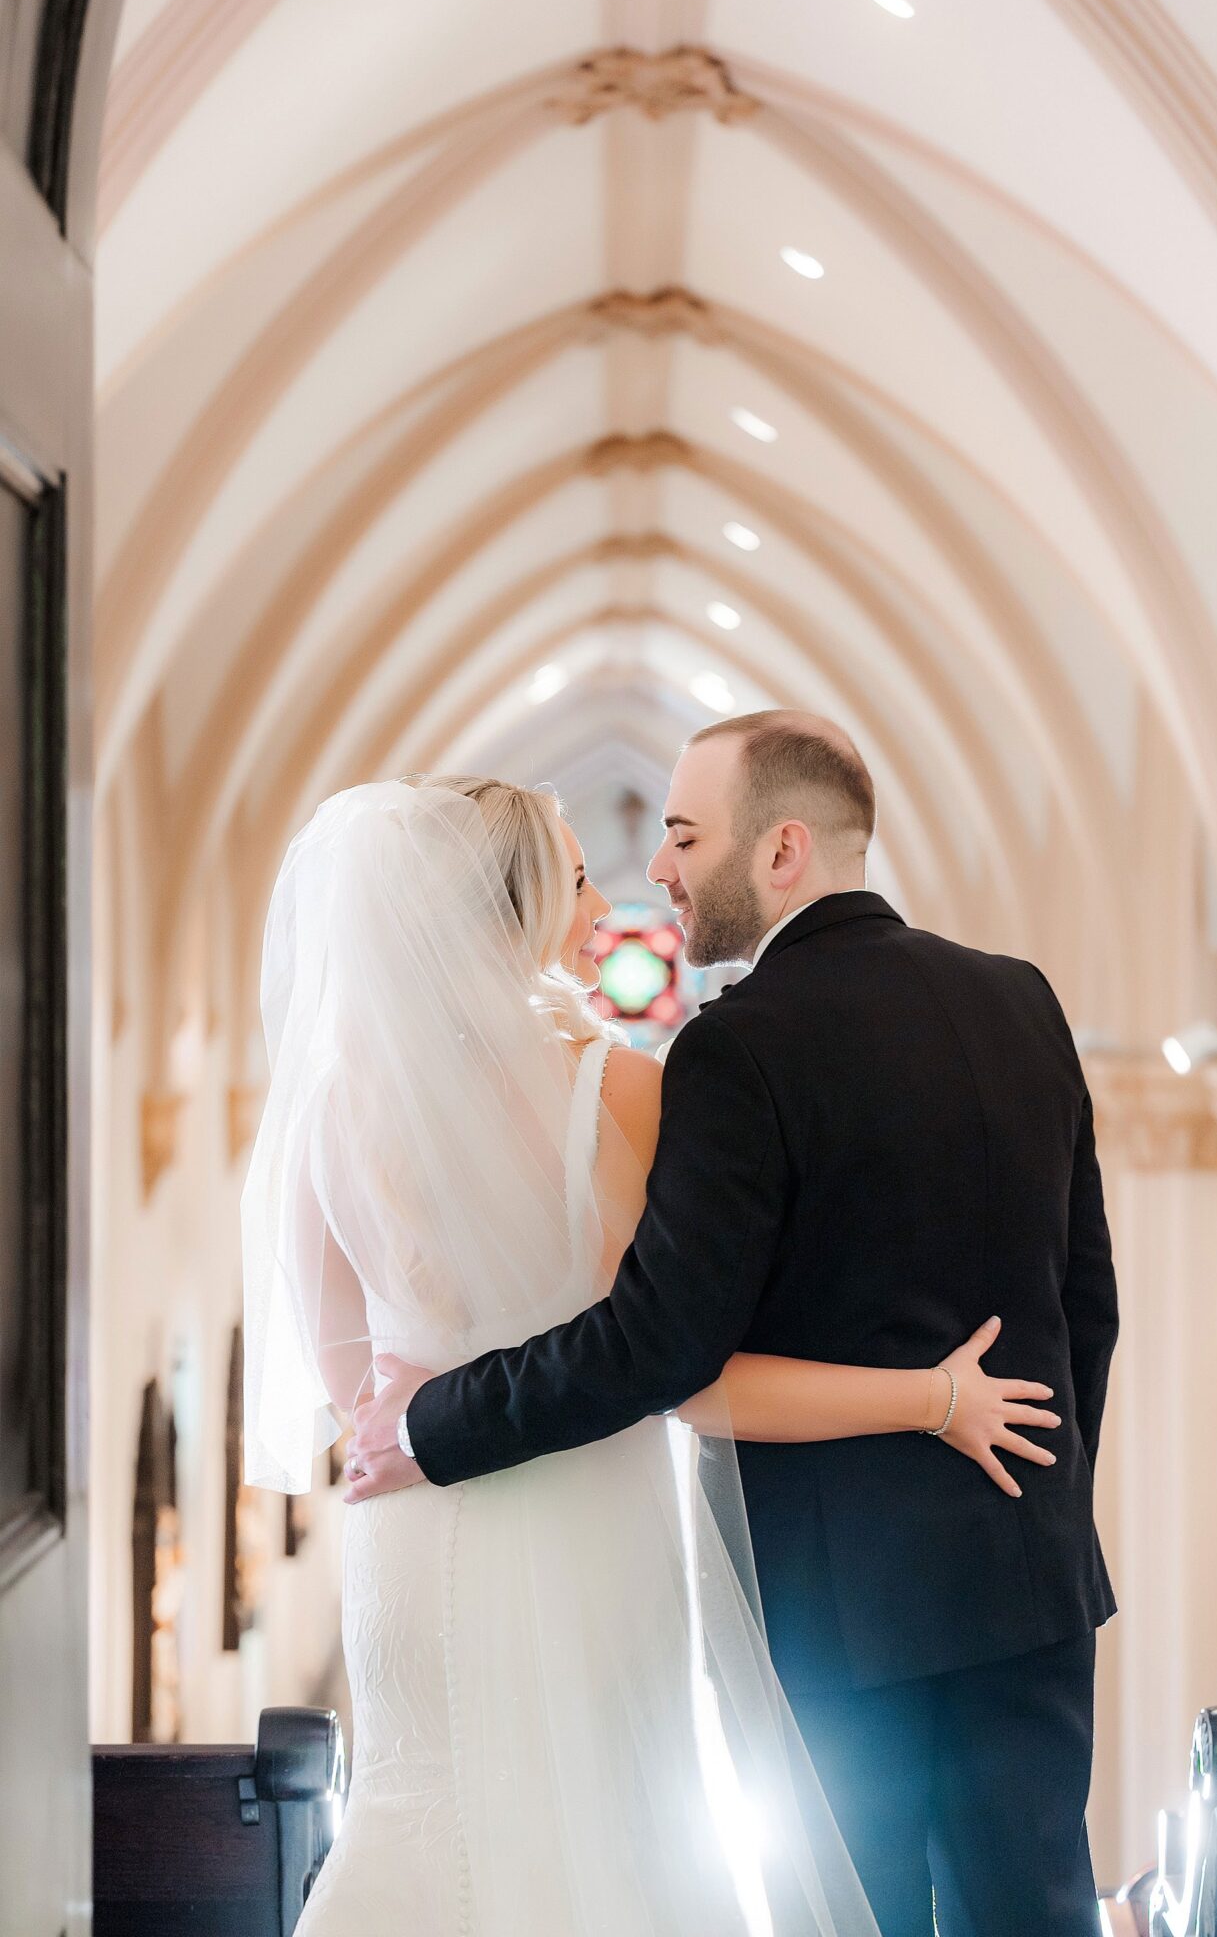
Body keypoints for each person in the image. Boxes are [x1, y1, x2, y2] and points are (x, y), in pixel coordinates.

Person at [243, 768, 1060, 1937]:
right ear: (511, 911)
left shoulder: (331, 1103)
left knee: (415, 1815)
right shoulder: (619, 1087)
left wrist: (424, 1418)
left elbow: (355, 1395)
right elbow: (679, 1366)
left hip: (411, 1532)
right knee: (607, 1846)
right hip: (587, 1528)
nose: (598, 907)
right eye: (576, 879)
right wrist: (930, 1395)